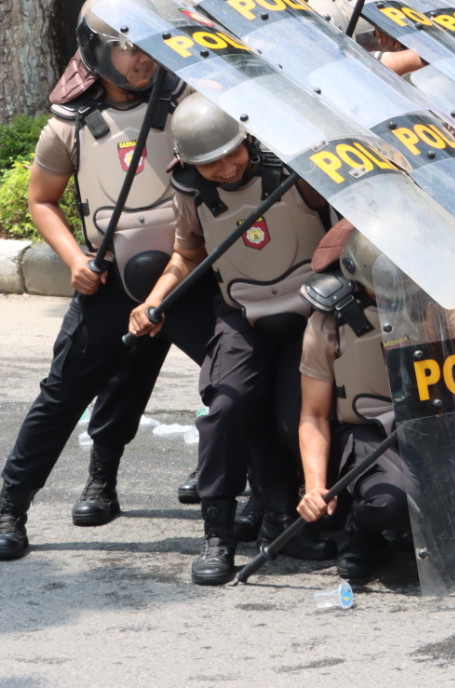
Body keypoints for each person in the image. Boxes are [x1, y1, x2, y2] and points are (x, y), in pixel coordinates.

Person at [0, 0, 213, 561]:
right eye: (125, 47)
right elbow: (42, 199)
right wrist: (74, 260)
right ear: (96, 50)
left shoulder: (191, 105)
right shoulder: (68, 126)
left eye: (148, 44)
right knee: (67, 391)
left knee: (238, 384)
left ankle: (268, 503)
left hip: (189, 276)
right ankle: (13, 505)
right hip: (111, 278)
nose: (142, 59)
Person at [131, 96, 337, 584]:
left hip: (313, 313)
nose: (224, 168)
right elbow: (187, 253)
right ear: (188, 162)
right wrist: (153, 301)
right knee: (227, 406)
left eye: (231, 154)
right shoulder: (189, 191)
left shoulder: (292, 171)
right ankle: (218, 531)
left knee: (294, 419)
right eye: (210, 162)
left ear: (247, 138)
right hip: (244, 312)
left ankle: (291, 522)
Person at [297, 224, 411, 583]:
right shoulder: (329, 321)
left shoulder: (447, 305)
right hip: (371, 430)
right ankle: (362, 529)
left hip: (440, 423)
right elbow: (313, 415)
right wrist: (315, 485)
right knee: (387, 502)